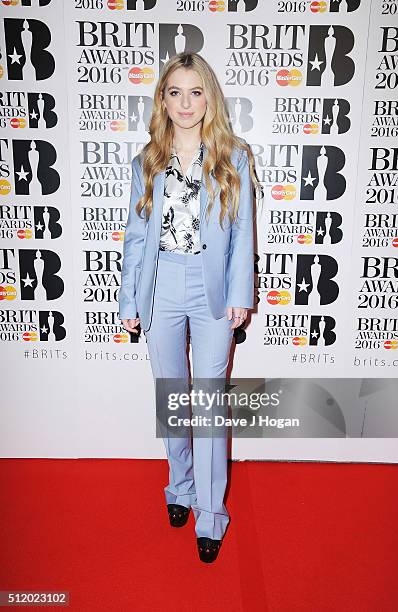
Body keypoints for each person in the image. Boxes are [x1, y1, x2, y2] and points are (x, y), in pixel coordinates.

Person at [118, 52, 261, 563]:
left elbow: (243, 232)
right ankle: (178, 487)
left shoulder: (234, 157)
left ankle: (211, 513)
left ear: (210, 98)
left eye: (195, 91)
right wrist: (130, 299)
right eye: (175, 92)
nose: (185, 102)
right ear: (163, 99)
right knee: (172, 399)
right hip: (161, 286)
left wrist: (241, 296)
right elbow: (136, 240)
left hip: (213, 288)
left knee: (207, 403)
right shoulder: (146, 162)